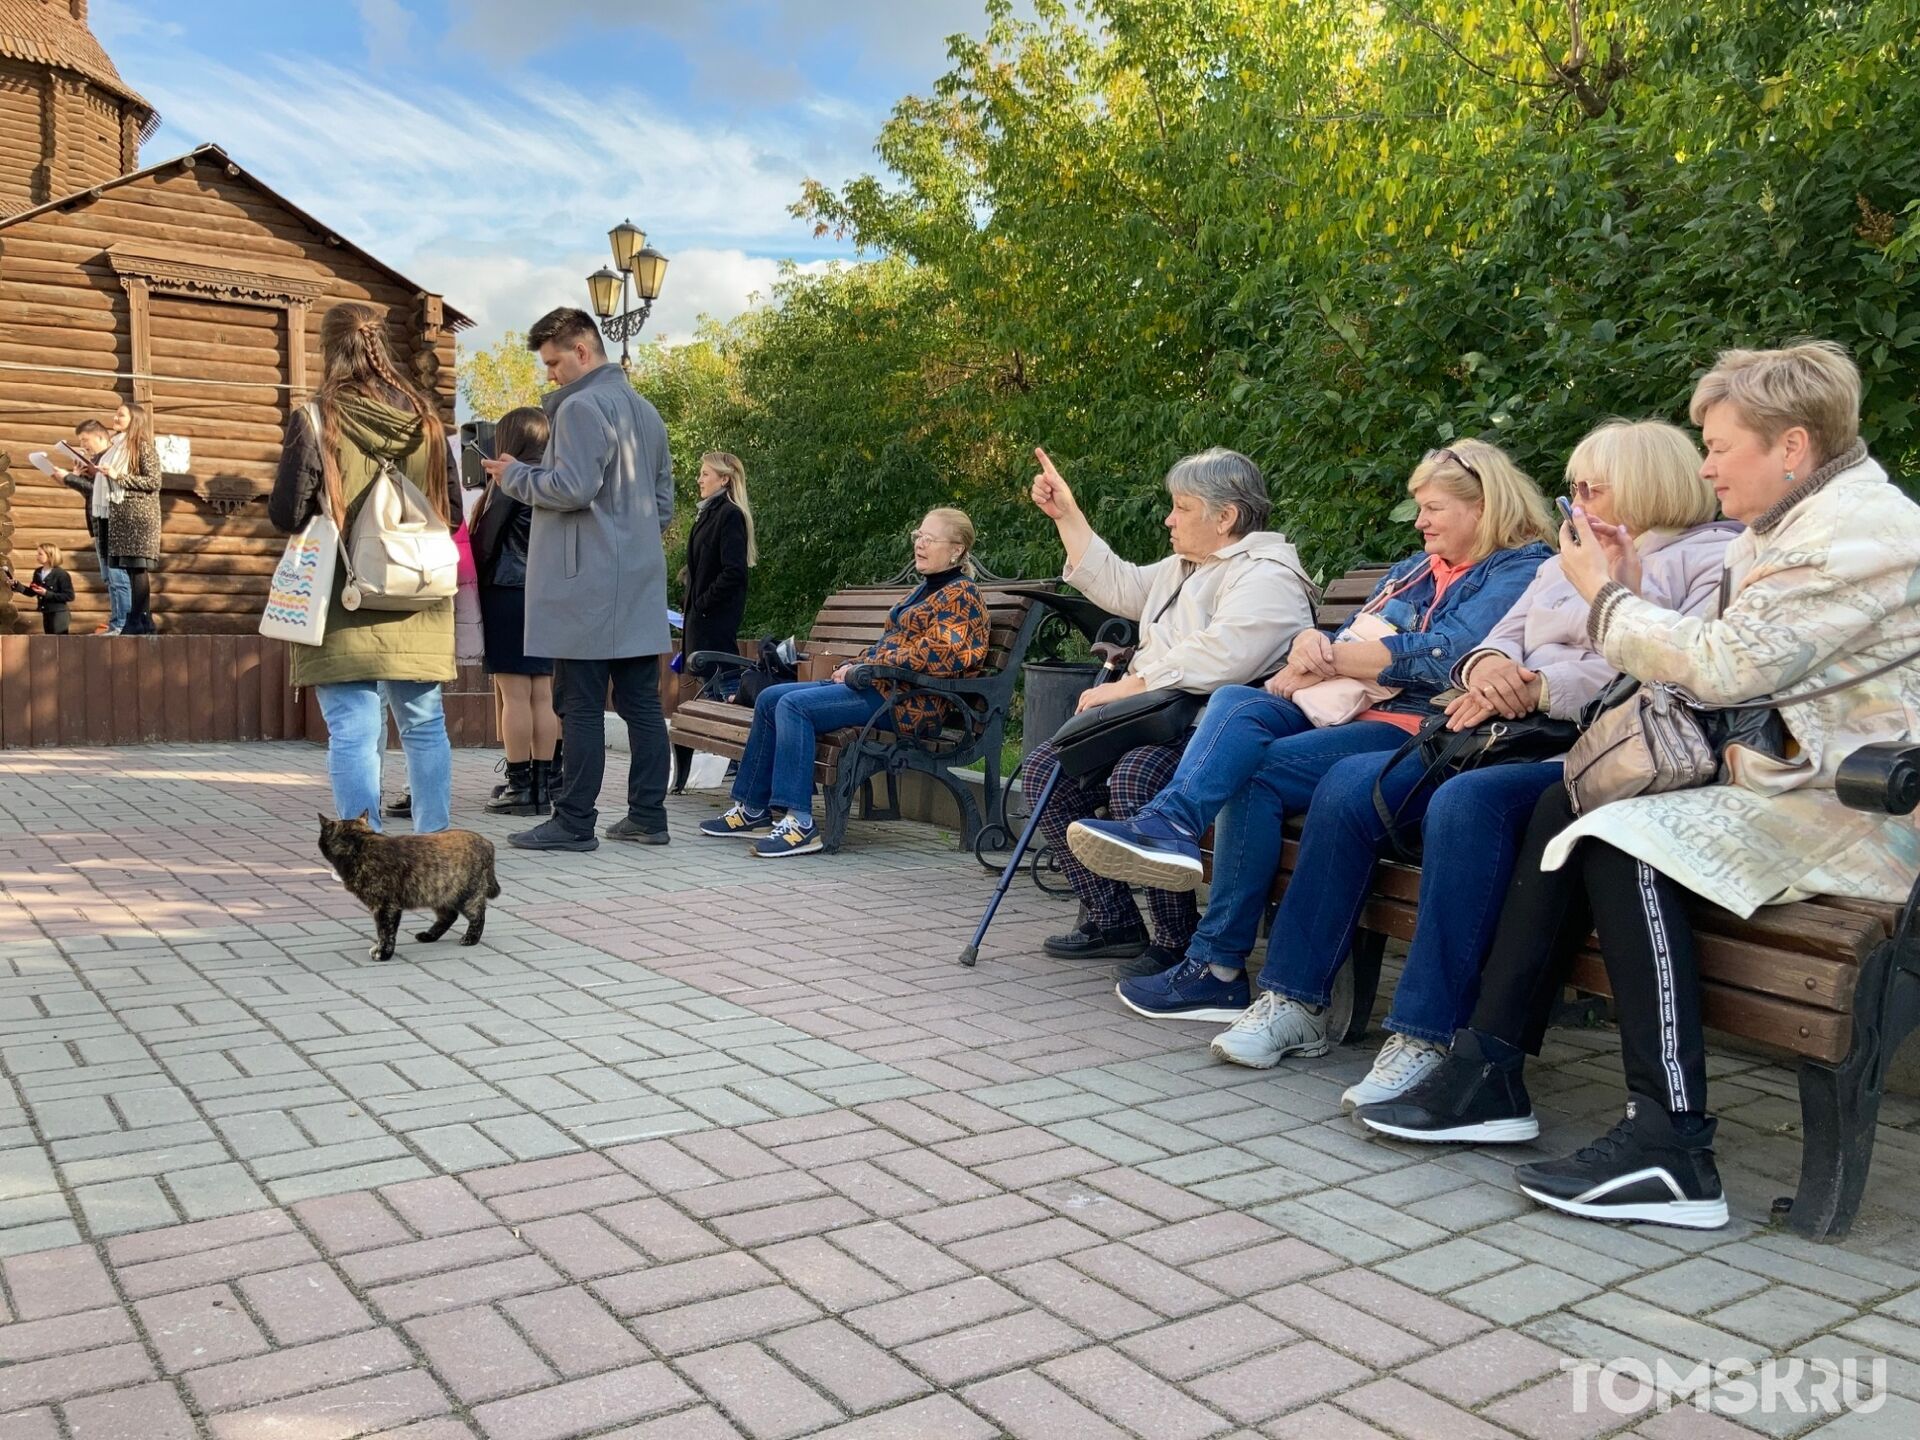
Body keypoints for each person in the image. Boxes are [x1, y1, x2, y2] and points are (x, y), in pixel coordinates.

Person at [1359, 342, 1920, 1231]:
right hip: (1790, 786)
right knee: (1563, 800)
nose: (1705, 467)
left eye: (1720, 446)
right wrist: (1620, 589)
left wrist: (1603, 600)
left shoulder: (1858, 537)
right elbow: (1713, 674)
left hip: (1858, 812)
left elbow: (1728, 665)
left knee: (1618, 835)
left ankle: (1673, 1146)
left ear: (1791, 446)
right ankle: (1490, 1072)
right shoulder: (1800, 522)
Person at [1140, 422, 1734, 1110]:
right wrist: (1489, 670)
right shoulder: (1560, 563)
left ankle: (1425, 1033)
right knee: (1346, 785)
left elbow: (1653, 672)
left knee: (1462, 803)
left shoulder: (1704, 560)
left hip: (1582, 749)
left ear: (1642, 485)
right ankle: (1292, 998)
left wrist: (1540, 684)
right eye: (1571, 487)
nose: (1574, 500)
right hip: (1487, 728)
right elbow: (1491, 644)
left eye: (1590, 487)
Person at [1073, 441, 1557, 1038]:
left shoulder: (1517, 567)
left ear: (1484, 508)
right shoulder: (1412, 569)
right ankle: (1170, 826)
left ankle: (1218, 967)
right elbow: (1347, 633)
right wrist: (1318, 646)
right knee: (1237, 702)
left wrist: (1330, 658)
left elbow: (1444, 656)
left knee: (1254, 773)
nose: (1421, 521)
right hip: (1342, 709)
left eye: (1432, 508)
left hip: (1411, 730)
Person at [1023, 446, 1315, 973]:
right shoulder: (1187, 566)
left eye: (1181, 507)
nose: (1169, 518)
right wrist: (1068, 515)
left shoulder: (1267, 574)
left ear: (1224, 517)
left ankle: (1176, 940)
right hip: (1154, 718)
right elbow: (1119, 584)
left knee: (1136, 776)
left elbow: (1225, 656)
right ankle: (1113, 921)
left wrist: (1131, 683)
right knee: (1047, 770)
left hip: (1207, 729)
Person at [481, 307, 676, 852]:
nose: (550, 375)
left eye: (553, 362)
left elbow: (571, 488)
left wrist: (514, 475)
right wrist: (628, 539)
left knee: (580, 703)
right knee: (641, 704)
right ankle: (647, 817)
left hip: (585, 582)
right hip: (636, 580)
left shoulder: (582, 406)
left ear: (582, 352)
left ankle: (573, 822)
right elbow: (663, 505)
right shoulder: (646, 411)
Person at [699, 508, 989, 858]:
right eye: (918, 536)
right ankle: (753, 808)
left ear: (956, 549)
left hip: (910, 703)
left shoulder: (962, 596)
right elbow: (892, 645)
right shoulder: (925, 590)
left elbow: (943, 655)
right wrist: (856, 664)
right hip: (881, 688)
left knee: (793, 706)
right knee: (771, 697)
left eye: (930, 538)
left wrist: (870, 667)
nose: (920, 544)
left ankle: (801, 824)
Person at [270, 301, 456, 834]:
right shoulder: (428, 421)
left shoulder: (317, 417)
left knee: (352, 730)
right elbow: (453, 513)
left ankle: (363, 846)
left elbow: (288, 512)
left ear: (328, 349)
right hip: (417, 594)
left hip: (343, 594)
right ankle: (434, 842)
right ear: (383, 346)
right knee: (424, 726)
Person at [471, 407, 559, 815]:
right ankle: (543, 786)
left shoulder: (511, 482)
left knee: (514, 694)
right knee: (543, 693)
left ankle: (519, 785)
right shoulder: (555, 482)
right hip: (547, 594)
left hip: (507, 590)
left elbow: (486, 544)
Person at [672, 451, 757, 785]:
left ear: (724, 479)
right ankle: (730, 752)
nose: (699, 479)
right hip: (700, 615)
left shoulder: (729, 515)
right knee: (712, 680)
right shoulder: (708, 514)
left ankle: (743, 748)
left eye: (705, 473)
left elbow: (734, 572)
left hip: (714, 616)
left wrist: (703, 603)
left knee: (724, 677)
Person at [53, 418, 129, 633]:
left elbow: (102, 493)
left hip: (111, 525)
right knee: (109, 578)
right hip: (98, 526)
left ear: (100, 437)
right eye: (80, 442)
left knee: (117, 577)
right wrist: (75, 477)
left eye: (85, 440)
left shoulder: (111, 459)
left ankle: (121, 624)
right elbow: (91, 492)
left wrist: (70, 479)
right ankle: (116, 623)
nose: (83, 446)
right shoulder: (95, 463)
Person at [104, 402, 164, 635]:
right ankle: (138, 619)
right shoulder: (118, 448)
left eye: (121, 415)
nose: (115, 417)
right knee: (129, 569)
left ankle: (140, 619)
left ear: (134, 420)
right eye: (116, 413)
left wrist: (119, 476)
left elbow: (154, 481)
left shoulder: (143, 447)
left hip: (140, 518)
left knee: (138, 568)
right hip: (123, 517)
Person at [7, 544, 74, 634]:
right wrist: (16, 585)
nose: (37, 556)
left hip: (59, 614)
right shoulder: (38, 572)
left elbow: (69, 596)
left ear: (50, 555)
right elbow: (31, 592)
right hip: (46, 612)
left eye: (40, 554)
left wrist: (46, 593)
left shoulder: (61, 574)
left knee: (60, 642)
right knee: (50, 641)